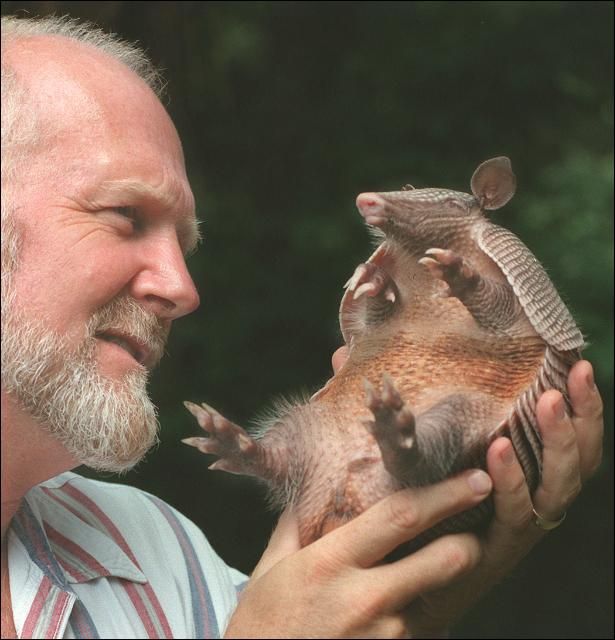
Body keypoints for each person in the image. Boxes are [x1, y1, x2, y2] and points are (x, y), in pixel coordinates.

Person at [0, 14, 604, 640]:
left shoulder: (156, 554)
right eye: (124, 215)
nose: (183, 289)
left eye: (186, 246)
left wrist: (421, 595)